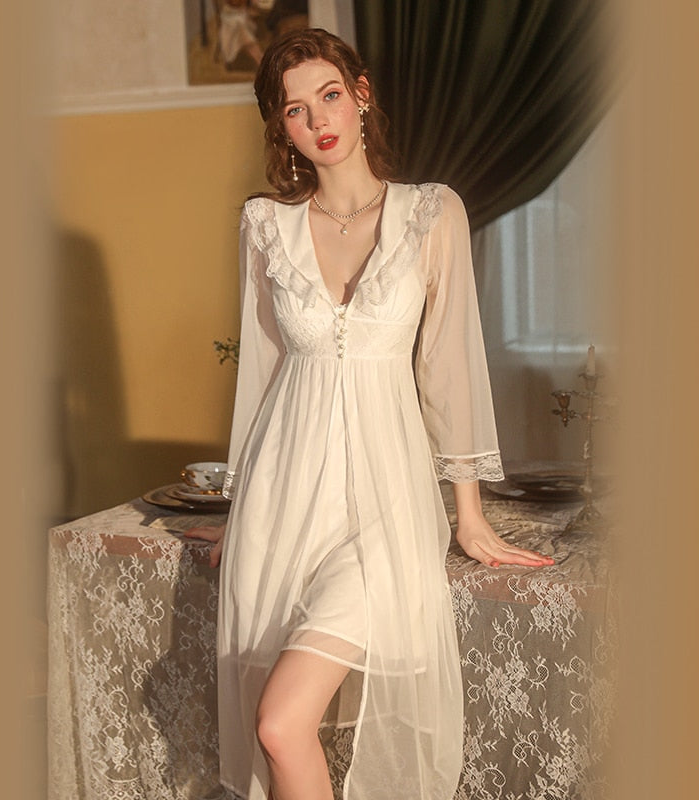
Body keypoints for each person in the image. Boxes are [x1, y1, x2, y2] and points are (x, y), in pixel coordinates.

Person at [186, 28, 554, 800]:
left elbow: (447, 369)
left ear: (362, 95)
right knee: (279, 729)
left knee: (280, 723)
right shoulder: (264, 225)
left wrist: (468, 515)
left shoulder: (431, 213)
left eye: (329, 95)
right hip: (283, 501)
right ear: (280, 127)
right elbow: (262, 376)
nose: (317, 118)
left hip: (384, 507)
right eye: (294, 109)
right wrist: (236, 508)